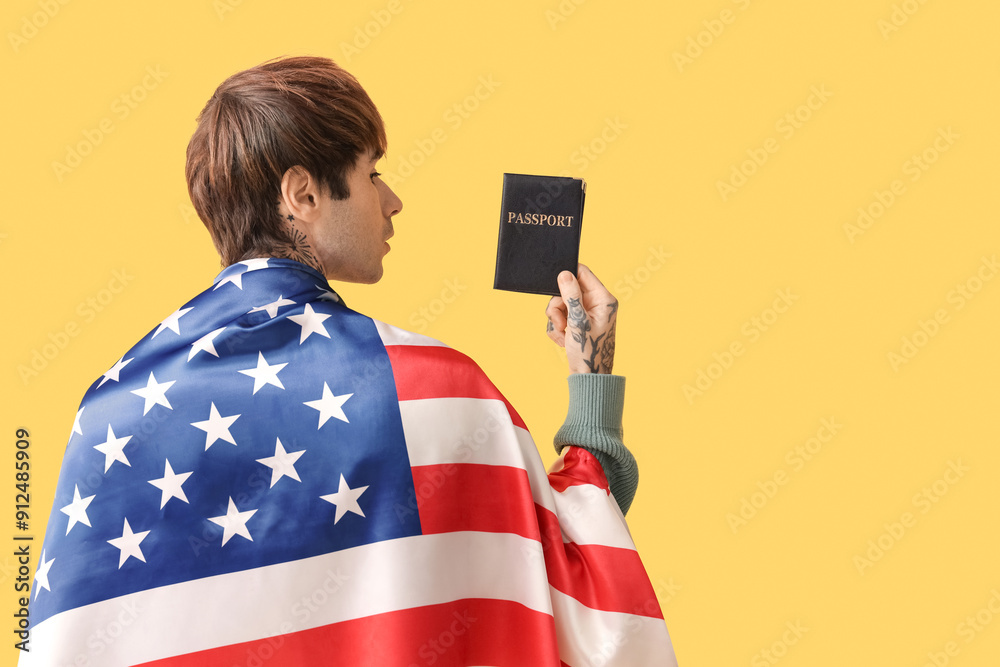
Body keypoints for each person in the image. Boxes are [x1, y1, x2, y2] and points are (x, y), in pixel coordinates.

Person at [22, 55, 678, 666]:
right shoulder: (433, 388)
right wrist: (591, 382)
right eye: (372, 172)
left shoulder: (106, 413)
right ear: (303, 194)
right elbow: (577, 596)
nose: (392, 201)